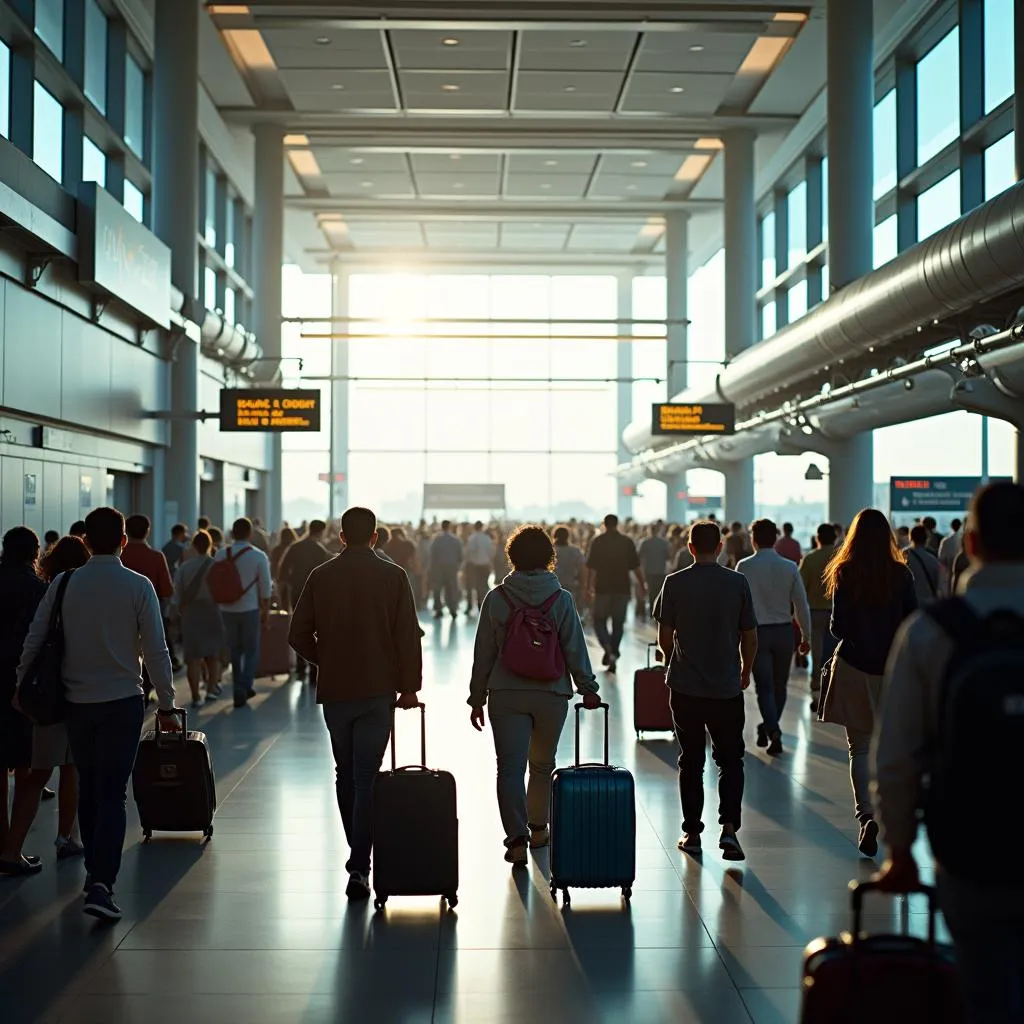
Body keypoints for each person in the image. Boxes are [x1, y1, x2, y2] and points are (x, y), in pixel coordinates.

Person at [874, 482, 1024, 1023]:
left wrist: (897, 847)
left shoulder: (932, 632)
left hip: (969, 845)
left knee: (985, 994)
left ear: (973, 543)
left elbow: (896, 755)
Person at [17, 508, 179, 921]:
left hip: (76, 703)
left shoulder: (64, 583)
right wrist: (167, 704)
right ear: (124, 541)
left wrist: (22, 687)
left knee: (90, 787)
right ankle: (101, 883)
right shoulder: (137, 585)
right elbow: (156, 650)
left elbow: (35, 638)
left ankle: (95, 874)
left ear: (86, 541)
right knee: (112, 794)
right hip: (123, 702)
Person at [288, 507, 422, 901]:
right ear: (376, 537)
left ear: (342, 536)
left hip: (337, 690)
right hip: (378, 691)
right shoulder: (394, 577)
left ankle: (357, 854)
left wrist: (325, 659)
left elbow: (297, 634)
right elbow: (407, 637)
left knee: (344, 773)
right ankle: (360, 864)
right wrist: (409, 686)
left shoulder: (321, 576)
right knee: (367, 778)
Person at [468, 526, 600, 865]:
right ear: (549, 558)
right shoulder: (562, 599)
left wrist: (476, 696)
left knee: (509, 769)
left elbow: (483, 653)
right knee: (542, 765)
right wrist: (588, 689)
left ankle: (515, 840)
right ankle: (539, 829)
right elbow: (574, 648)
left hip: (506, 692)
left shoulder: (497, 598)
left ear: (511, 556)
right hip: (551, 693)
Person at [654, 521, 758, 862]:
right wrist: (744, 669)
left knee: (691, 761)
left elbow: (665, 636)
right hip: (726, 686)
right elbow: (749, 634)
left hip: (686, 686)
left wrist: (672, 660)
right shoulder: (737, 582)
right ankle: (729, 830)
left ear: (690, 546)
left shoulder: (674, 583)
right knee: (730, 759)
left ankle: (692, 832)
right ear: (722, 547)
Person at [818, 508, 916, 857]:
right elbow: (911, 622)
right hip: (892, 670)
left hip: (855, 667)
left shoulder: (845, 571)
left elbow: (837, 628)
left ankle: (866, 817)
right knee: (892, 746)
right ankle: (895, 818)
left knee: (858, 747)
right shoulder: (901, 575)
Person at [736, 520, 812, 757]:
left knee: (764, 687)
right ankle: (771, 726)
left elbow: (737, 604)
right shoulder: (789, 567)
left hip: (756, 634)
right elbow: (801, 604)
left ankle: (771, 728)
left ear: (753, 539)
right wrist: (806, 636)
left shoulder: (744, 566)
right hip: (783, 633)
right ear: (775, 539)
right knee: (780, 687)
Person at [0, 528, 50, 876]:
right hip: (24, 688)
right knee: (26, 768)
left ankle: (1, 842)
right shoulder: (40, 591)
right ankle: (11, 850)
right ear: (35, 553)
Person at [215, 518, 272, 708]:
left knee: (234, 649)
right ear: (250, 534)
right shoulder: (258, 556)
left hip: (226, 609)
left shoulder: (221, 554)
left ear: (232, 533)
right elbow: (265, 585)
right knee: (251, 649)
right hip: (250, 608)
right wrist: (266, 608)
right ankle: (245, 685)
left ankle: (237, 685)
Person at [586, 514, 646, 673]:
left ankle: (607, 648)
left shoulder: (597, 542)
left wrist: (588, 587)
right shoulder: (626, 541)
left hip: (602, 588)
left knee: (599, 621)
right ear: (617, 524)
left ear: (604, 524)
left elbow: (591, 567)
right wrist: (642, 584)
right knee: (618, 623)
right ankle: (613, 650)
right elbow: (636, 566)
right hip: (622, 588)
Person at [173, 530, 225, 707]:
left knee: (193, 658)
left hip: (192, 613)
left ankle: (195, 695)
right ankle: (211, 690)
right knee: (213, 655)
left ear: (194, 546)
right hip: (213, 611)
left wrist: (175, 614)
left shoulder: (185, 567)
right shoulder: (217, 565)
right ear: (211, 545)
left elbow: (177, 593)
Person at [121, 514, 176, 678]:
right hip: (151, 611)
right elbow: (167, 590)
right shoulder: (156, 557)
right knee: (152, 653)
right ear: (148, 531)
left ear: (126, 532)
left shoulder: (121, 556)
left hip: (121, 611)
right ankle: (147, 685)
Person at [279, 520, 332, 683]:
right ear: (321, 532)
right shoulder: (319, 549)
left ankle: (301, 668)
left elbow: (283, 569)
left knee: (300, 628)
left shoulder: (295, 547)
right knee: (317, 630)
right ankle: (314, 670)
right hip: (316, 594)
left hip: (297, 592)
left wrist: (289, 583)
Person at [799, 524, 839, 712]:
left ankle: (817, 689)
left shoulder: (810, 559)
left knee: (818, 651)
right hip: (838, 611)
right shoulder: (841, 557)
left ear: (818, 538)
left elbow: (801, 589)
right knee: (836, 652)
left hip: (815, 612)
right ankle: (834, 689)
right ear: (835, 537)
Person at [429, 521, 463, 620]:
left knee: (437, 588)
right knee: (452, 588)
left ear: (441, 527)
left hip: (438, 567)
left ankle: (438, 610)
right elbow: (460, 556)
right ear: (450, 527)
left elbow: (432, 554)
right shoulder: (456, 540)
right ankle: (453, 609)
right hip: (452, 567)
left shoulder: (437, 539)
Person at [638, 524, 671, 619]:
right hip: (661, 570)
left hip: (649, 570)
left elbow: (639, 556)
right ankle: (658, 611)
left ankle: (652, 611)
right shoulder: (664, 543)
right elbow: (668, 556)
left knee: (651, 592)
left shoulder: (644, 542)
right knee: (659, 592)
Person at [905, 524, 941, 606]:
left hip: (908, 604)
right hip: (928, 604)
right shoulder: (933, 559)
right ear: (926, 539)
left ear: (910, 537)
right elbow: (939, 585)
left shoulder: (903, 556)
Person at [464, 521, 495, 615]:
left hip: (474, 566)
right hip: (485, 565)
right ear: (482, 527)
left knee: (474, 587)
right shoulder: (487, 538)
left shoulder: (472, 538)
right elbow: (491, 552)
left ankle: (473, 606)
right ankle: (483, 605)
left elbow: (469, 552)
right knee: (484, 586)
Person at [551, 525, 586, 607]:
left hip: (553, 590)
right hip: (572, 589)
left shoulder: (550, 551)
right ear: (568, 536)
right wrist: (583, 587)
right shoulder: (575, 551)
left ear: (554, 536)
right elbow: (583, 569)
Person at [269, 526, 298, 599]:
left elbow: (273, 565)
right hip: (292, 579)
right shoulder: (295, 549)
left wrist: (274, 577)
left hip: (279, 578)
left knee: (281, 600)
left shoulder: (276, 550)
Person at [937, 516, 963, 595]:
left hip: (949, 574)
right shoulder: (964, 539)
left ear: (951, 527)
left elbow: (941, 559)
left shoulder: (946, 541)